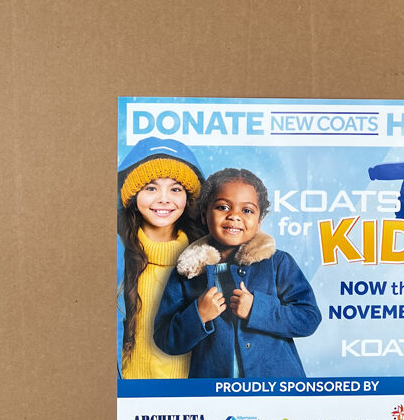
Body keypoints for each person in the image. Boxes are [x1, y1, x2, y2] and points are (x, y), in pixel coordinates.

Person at [153, 167, 321, 378]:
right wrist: (198, 315)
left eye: (247, 210)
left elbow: (309, 318)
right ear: (204, 214)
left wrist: (256, 309)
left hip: (276, 389)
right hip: (214, 394)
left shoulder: (277, 263)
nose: (234, 216)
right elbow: (165, 339)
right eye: (223, 207)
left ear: (259, 220)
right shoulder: (187, 271)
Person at [117, 137, 204, 379]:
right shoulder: (116, 257)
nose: (164, 199)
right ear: (132, 195)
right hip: (128, 398)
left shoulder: (207, 259)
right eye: (151, 188)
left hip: (188, 398)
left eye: (176, 189)